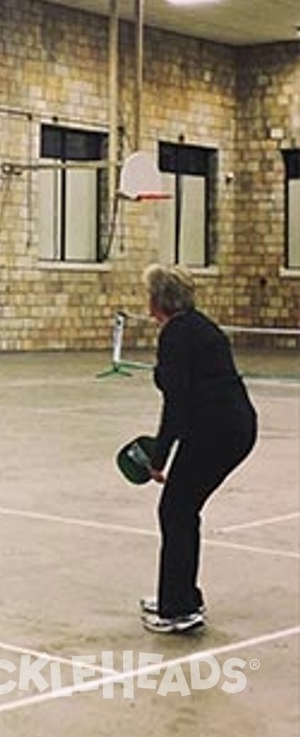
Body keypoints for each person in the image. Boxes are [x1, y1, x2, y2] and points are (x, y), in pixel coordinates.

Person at [139, 264, 257, 634]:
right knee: (181, 509)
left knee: (176, 509)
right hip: (230, 427)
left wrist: (159, 458)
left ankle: (179, 610)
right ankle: (179, 596)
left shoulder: (176, 334)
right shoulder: (199, 325)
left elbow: (177, 403)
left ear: (158, 300)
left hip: (217, 433)